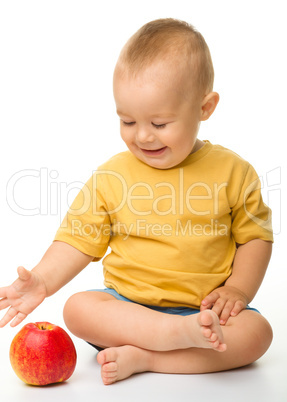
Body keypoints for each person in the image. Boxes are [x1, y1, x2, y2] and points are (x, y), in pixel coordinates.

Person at [0, 18, 273, 385]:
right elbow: (77, 240)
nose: (142, 136)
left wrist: (238, 290)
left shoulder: (234, 172)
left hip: (206, 311)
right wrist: (43, 281)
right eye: (127, 120)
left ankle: (148, 357)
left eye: (160, 123)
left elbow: (254, 237)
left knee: (258, 333)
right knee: (78, 308)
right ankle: (174, 338)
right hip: (129, 309)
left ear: (205, 108)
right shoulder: (111, 177)